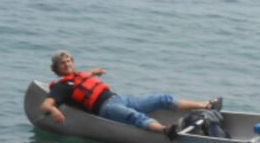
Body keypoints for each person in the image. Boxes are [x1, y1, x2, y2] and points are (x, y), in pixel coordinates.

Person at [39, 51, 221, 135]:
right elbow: (46, 104)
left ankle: (206, 104)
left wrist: (95, 72)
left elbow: (87, 76)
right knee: (136, 117)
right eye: (63, 63)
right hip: (106, 108)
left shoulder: (80, 75)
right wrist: (55, 111)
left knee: (162, 99)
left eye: (69, 60)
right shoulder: (62, 86)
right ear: (56, 68)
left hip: (120, 99)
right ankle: (165, 131)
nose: (68, 64)